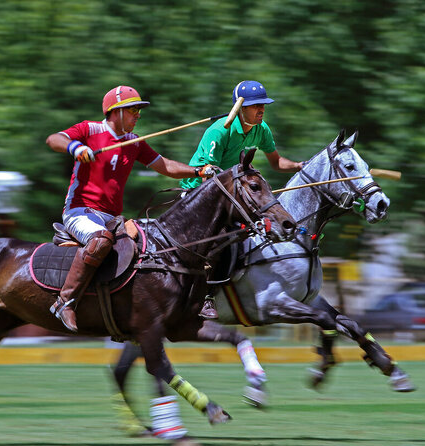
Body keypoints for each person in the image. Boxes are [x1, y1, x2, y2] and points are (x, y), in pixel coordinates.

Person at [46, 85, 215, 332]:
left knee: (147, 246)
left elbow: (165, 166)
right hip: (80, 211)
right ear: (115, 112)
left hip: (112, 218)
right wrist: (76, 147)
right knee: (101, 240)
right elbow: (54, 139)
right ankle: (64, 302)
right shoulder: (89, 129)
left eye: (138, 110)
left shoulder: (134, 142)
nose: (138, 115)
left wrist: (198, 171)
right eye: (133, 110)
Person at [180, 80, 304, 319]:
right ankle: (206, 297)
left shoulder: (262, 129)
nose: (262, 110)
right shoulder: (219, 131)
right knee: (222, 240)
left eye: (263, 105)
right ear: (240, 108)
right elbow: (208, 178)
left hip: (233, 197)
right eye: (256, 105)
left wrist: (300, 166)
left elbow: (276, 162)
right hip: (198, 193)